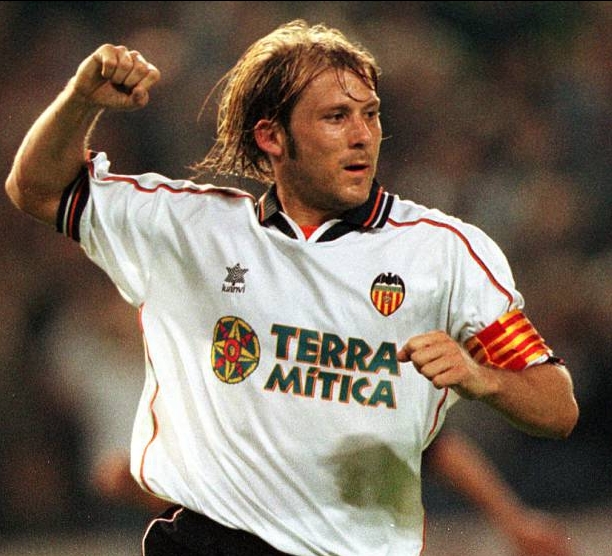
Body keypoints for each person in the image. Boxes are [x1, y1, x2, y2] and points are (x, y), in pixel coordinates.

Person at [5, 19, 578, 556]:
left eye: (371, 114)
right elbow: (35, 188)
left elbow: (557, 406)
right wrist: (81, 100)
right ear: (272, 136)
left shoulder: (444, 253)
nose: (362, 136)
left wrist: (482, 378)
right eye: (336, 117)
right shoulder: (191, 230)